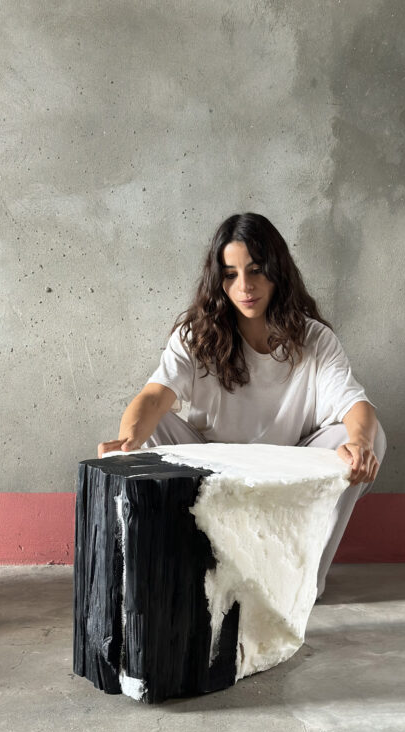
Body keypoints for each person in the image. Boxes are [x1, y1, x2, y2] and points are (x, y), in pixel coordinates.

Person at [97, 212, 386, 598]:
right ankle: (194, 563)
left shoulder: (314, 339)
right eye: (230, 274)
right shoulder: (195, 337)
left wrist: (362, 445)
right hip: (211, 471)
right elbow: (153, 396)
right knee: (156, 428)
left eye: (255, 270)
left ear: (277, 270)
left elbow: (355, 404)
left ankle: (304, 580)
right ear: (218, 280)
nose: (245, 286)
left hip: (286, 476)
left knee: (367, 437)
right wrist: (126, 442)